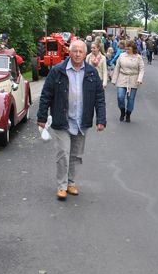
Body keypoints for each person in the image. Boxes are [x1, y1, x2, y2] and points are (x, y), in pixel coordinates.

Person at [37, 40, 106, 200]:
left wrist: (101, 119)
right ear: (69, 52)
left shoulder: (91, 72)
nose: (77, 54)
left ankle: (71, 182)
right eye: (74, 51)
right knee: (63, 152)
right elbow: (46, 94)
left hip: (81, 120)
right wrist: (41, 117)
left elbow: (99, 97)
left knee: (76, 155)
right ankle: (61, 186)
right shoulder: (57, 71)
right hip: (62, 120)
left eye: (80, 51)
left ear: (85, 53)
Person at [112, 41, 145, 122]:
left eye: (129, 48)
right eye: (126, 47)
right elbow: (117, 68)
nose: (127, 49)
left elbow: (142, 69)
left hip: (133, 79)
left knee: (131, 99)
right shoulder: (122, 56)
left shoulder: (138, 57)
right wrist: (114, 79)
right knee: (120, 97)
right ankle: (122, 111)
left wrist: (139, 79)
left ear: (133, 48)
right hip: (122, 78)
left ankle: (128, 114)